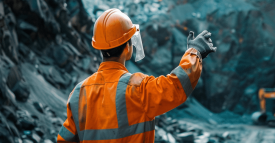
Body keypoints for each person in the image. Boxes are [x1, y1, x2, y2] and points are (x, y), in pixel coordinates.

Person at [57, 8, 216, 142]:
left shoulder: (79, 93)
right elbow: (177, 85)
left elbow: (65, 139)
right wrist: (194, 52)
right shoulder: (138, 88)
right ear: (127, 48)